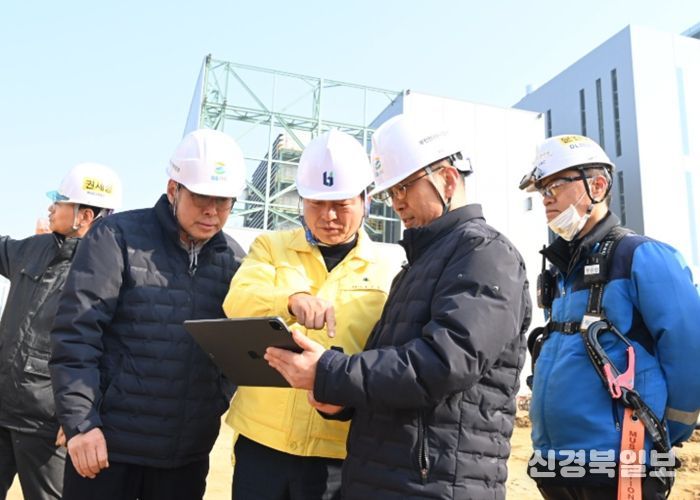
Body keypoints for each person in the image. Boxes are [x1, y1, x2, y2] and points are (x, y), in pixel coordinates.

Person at [265, 113, 532, 499]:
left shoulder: (485, 253)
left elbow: (445, 362)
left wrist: (331, 372)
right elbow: (394, 370)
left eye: (405, 187)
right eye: (391, 192)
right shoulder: (419, 264)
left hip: (435, 484)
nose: (397, 203)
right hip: (392, 478)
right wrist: (341, 401)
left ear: (448, 179)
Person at [49, 129, 247, 500]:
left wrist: (213, 403)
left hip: (184, 459)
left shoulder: (235, 261)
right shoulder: (116, 237)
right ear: (173, 189)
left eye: (223, 201)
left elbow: (233, 352)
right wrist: (80, 421)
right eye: (201, 197)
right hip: (105, 448)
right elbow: (76, 335)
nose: (212, 210)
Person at [518, 134, 700, 499]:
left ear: (598, 186)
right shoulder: (560, 271)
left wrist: (664, 432)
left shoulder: (641, 257)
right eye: (542, 191)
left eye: (555, 185)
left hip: (624, 464)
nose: (546, 199)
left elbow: (689, 351)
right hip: (557, 465)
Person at [222, 129, 399, 500]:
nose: (329, 216)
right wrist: (291, 299)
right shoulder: (271, 248)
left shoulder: (389, 269)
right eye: (316, 203)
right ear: (301, 201)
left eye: (341, 204)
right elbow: (238, 300)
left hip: (336, 449)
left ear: (365, 200)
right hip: (262, 444)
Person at [0, 162, 122, 500]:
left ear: (85, 215)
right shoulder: (31, 249)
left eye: (59, 201)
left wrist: (81, 418)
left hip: (49, 424)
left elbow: (112, 351)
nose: (51, 208)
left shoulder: (110, 270)